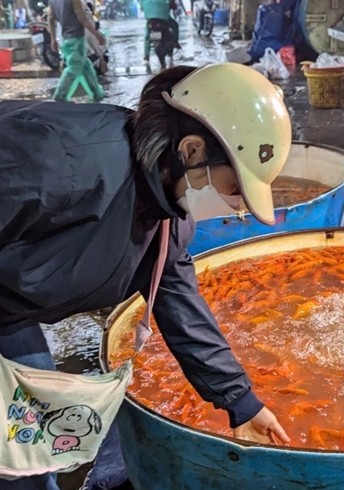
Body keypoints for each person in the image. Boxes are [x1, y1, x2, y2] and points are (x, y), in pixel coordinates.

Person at [0, 62, 292, 489]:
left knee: (29, 442)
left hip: (10, 304)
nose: (239, 209)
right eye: (235, 190)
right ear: (191, 151)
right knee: (19, 456)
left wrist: (242, 402)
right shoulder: (60, 163)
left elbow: (179, 305)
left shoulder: (168, 217)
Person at [47, 0, 106, 101]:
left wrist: (53, 40)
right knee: (73, 69)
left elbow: (51, 20)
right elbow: (82, 18)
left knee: (85, 66)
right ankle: (60, 96)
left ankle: (97, 92)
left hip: (66, 38)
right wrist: (96, 34)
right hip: (76, 38)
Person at [140, 0, 180, 65]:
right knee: (175, 25)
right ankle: (175, 42)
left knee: (147, 36)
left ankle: (146, 56)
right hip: (163, 19)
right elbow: (173, 6)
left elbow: (142, 8)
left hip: (151, 20)